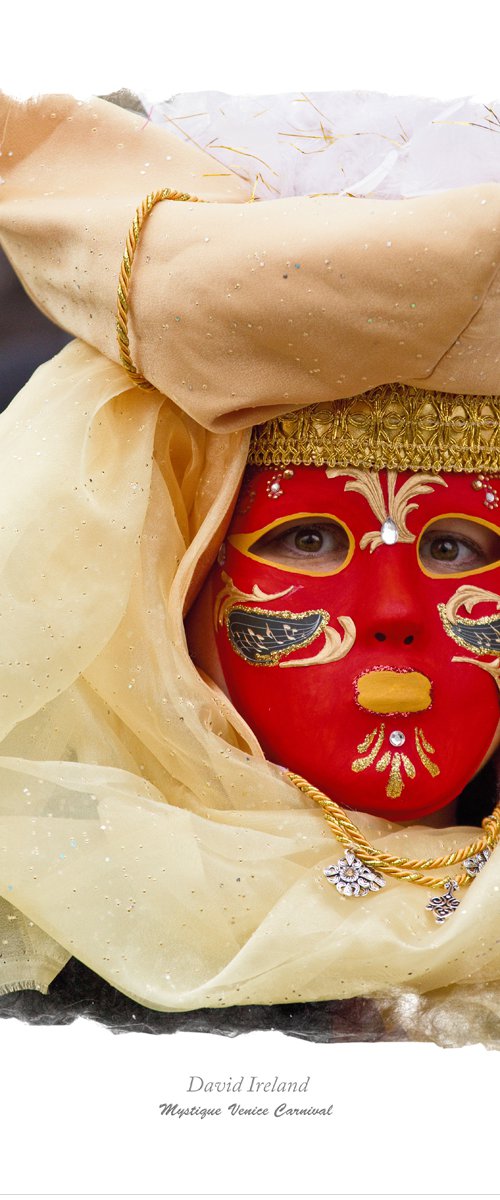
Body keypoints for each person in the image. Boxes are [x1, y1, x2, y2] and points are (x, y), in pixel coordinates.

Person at [0, 89, 499, 1044]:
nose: (395, 611)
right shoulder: (44, 940)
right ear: (167, 576)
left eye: (453, 547)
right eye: (308, 538)